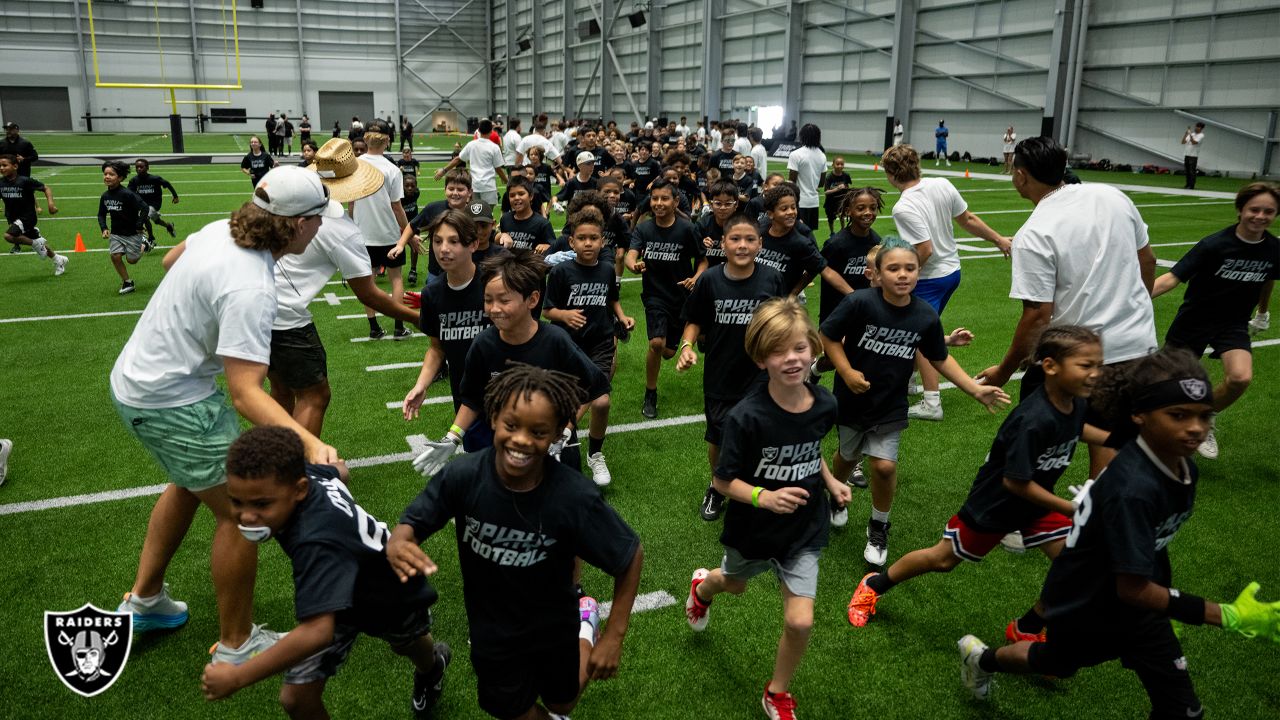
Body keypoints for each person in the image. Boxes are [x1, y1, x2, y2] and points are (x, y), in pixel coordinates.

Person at [956, 347, 1280, 714]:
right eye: (1178, 415)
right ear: (1139, 416)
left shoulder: (1179, 468)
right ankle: (981, 660)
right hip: (1087, 604)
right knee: (1054, 662)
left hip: (1136, 603)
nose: (1195, 428)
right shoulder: (1133, 489)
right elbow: (1133, 588)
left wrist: (1164, 606)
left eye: (1205, 416)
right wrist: (1222, 614)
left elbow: (1152, 543)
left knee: (1183, 709)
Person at [112, 166, 341, 669]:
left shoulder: (222, 229)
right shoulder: (252, 288)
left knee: (187, 484)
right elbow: (244, 392)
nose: (322, 228)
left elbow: (173, 259)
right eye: (319, 220)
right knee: (241, 514)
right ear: (297, 225)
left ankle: (146, 599)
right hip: (170, 398)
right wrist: (310, 443)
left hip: (142, 380)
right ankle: (237, 645)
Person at [390, 364, 643, 720]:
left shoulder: (574, 496)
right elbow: (412, 523)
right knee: (509, 709)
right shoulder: (463, 476)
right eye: (512, 425)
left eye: (538, 431)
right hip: (492, 629)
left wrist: (615, 635)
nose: (522, 440)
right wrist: (400, 541)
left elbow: (629, 556)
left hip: (553, 625)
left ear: (558, 433)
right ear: (493, 418)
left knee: (562, 704)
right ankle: (586, 623)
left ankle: (586, 626)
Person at [847, 326, 1107, 630]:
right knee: (942, 560)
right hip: (996, 505)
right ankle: (874, 585)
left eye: (1098, 365)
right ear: (1050, 366)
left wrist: (1126, 440)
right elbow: (1015, 482)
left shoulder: (1074, 402)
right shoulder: (1034, 420)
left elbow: (1076, 429)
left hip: (1036, 504)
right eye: (1086, 365)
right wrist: (1071, 509)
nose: (1095, 374)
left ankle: (1027, 629)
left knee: (1074, 564)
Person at [199, 427, 449, 719]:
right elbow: (338, 472)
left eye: (261, 504)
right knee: (296, 698)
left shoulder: (316, 541)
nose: (246, 516)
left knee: (407, 642)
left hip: (388, 591)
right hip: (338, 590)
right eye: (236, 501)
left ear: (300, 490)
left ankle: (432, 668)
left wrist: (239, 677)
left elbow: (317, 633)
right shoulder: (299, 476)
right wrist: (336, 468)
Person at [683, 298, 851, 720]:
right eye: (778, 351)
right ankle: (702, 588)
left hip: (803, 529)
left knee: (800, 621)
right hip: (752, 527)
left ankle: (776, 692)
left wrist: (831, 482)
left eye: (799, 348)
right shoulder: (746, 417)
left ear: (814, 348)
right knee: (733, 585)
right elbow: (723, 481)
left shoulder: (825, 403)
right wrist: (765, 497)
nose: (791, 359)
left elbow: (811, 448)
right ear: (761, 359)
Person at [819, 237, 1009, 566]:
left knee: (883, 465)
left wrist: (974, 389)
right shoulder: (860, 303)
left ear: (919, 273)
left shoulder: (924, 315)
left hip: (890, 404)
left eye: (910, 268)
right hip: (852, 399)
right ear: (877, 273)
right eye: (893, 268)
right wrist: (847, 371)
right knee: (847, 455)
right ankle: (837, 495)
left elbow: (938, 357)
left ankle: (879, 525)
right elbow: (829, 336)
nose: (903, 274)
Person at [977, 136, 1157, 479]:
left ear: (1021, 175)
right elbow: (1147, 259)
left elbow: (1037, 316)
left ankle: (1017, 520)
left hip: (1071, 354)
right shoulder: (1112, 196)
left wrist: (1003, 370)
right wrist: (1137, 308)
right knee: (1110, 439)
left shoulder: (1033, 233)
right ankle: (1095, 519)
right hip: (1136, 346)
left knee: (1035, 437)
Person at [259, 138, 422, 437]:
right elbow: (368, 293)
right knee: (315, 395)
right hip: (285, 317)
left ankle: (273, 460)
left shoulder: (290, 202)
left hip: (252, 307)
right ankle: (296, 470)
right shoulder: (339, 227)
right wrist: (418, 319)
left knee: (281, 388)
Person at [409, 250, 611, 476]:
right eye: (488, 300)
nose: (494, 309)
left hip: (557, 453)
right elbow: (473, 398)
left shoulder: (556, 341)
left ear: (532, 300)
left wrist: (565, 432)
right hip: (509, 452)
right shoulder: (483, 344)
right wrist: (453, 437)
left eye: (504, 300)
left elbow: (593, 386)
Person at [879, 143, 1011, 422]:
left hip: (930, 278)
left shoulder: (903, 207)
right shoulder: (942, 183)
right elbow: (968, 219)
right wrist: (999, 239)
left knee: (921, 338)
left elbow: (924, 250)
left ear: (891, 174)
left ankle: (931, 401)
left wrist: (901, 281)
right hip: (953, 272)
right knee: (918, 330)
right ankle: (911, 381)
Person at [1151, 181, 1280, 460]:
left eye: (1268, 212)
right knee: (1167, 386)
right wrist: (1137, 297)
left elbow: (1268, 279)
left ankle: (1205, 418)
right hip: (1194, 321)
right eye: (1254, 209)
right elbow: (1173, 277)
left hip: (1232, 323)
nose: (1260, 216)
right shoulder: (1214, 245)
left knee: (1240, 378)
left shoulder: (1274, 249)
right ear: (1240, 209)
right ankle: (1152, 432)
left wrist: (1262, 312)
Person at [677, 214, 786, 521]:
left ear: (760, 244)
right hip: (721, 374)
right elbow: (694, 321)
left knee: (760, 434)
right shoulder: (710, 279)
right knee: (718, 438)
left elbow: (782, 321)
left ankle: (753, 485)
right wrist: (686, 347)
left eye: (750, 239)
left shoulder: (771, 278)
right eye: (735, 239)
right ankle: (718, 484)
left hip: (762, 375)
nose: (742, 245)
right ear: (723, 243)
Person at [543, 207, 634, 486]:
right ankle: (562, 436)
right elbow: (547, 311)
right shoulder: (560, 272)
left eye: (593, 238)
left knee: (602, 400)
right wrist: (565, 315)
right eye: (581, 238)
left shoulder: (607, 269)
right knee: (568, 396)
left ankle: (594, 454)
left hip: (601, 341)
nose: (588, 243)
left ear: (602, 241)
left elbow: (612, 299)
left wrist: (622, 317)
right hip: (569, 344)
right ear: (571, 242)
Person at [626, 178, 708, 419]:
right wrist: (632, 265)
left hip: (681, 296)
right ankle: (650, 393)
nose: (658, 203)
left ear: (675, 202)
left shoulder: (687, 229)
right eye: (654, 199)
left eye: (664, 198)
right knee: (656, 344)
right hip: (654, 295)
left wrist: (696, 277)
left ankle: (694, 336)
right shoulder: (644, 228)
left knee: (669, 352)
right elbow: (632, 254)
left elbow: (703, 260)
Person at [401, 210, 489, 422]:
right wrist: (421, 385)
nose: (444, 249)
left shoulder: (493, 286)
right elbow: (437, 348)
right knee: (474, 453)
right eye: (438, 241)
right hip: (464, 395)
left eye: (454, 241)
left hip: (504, 392)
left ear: (473, 245)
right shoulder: (432, 294)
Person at [352, 119, 412, 340]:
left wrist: (352, 226)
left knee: (369, 281)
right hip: (388, 233)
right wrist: (409, 233)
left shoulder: (355, 164)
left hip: (362, 234)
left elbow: (350, 202)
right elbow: (396, 207)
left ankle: (374, 328)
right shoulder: (392, 169)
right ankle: (398, 326)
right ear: (387, 140)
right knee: (396, 279)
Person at [0, 153, 65, 274]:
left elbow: (46, 188)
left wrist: (51, 204)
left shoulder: (24, 181)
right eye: (0, 166)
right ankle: (58, 260)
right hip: (13, 218)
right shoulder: (1, 183)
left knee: (8, 236)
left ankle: (36, 244)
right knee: (36, 240)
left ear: (15, 166)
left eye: (5, 165)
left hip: (27, 217)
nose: (1, 168)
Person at [99, 160, 151, 295]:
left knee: (131, 260)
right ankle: (127, 282)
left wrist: (139, 224)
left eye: (111, 174)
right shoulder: (105, 196)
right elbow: (101, 214)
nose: (107, 177)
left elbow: (145, 208)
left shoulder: (128, 194)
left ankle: (144, 244)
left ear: (120, 177)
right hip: (116, 233)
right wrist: (104, 228)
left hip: (132, 233)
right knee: (115, 256)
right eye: (105, 174)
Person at [437, 119, 508, 206]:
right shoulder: (494, 147)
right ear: (491, 131)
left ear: (479, 130)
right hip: (488, 186)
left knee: (473, 214)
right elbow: (498, 168)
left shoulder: (471, 144)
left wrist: (444, 170)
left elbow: (458, 159)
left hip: (474, 185)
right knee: (488, 214)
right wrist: (506, 180)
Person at [497, 176, 555, 253]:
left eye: (521, 194)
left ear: (531, 196)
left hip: (532, 264)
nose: (516, 198)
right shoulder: (505, 219)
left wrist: (546, 246)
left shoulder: (542, 223)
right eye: (512, 195)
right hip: (510, 263)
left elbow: (554, 247)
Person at [128, 158, 179, 243]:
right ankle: (168, 226)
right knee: (157, 221)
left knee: (145, 217)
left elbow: (167, 184)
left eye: (141, 167)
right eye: (137, 167)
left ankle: (151, 238)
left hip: (154, 203)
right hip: (142, 204)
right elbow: (129, 193)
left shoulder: (155, 178)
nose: (139, 169)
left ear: (147, 168)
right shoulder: (134, 180)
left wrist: (175, 196)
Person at [786, 124, 826, 231]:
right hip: (814, 201)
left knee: (795, 233)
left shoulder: (796, 154)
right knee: (809, 234)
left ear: (802, 136)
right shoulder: (822, 155)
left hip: (800, 202)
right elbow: (822, 183)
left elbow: (791, 182)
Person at [821, 157, 852, 235]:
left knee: (842, 216)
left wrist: (847, 190)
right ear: (833, 165)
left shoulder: (846, 175)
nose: (840, 166)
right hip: (830, 201)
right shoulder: (829, 176)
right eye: (837, 164)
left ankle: (843, 230)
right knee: (831, 219)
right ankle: (832, 232)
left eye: (842, 164)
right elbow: (826, 192)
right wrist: (837, 189)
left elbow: (848, 187)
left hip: (841, 200)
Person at [1180, 122, 1206, 190]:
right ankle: (1187, 184)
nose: (1196, 128)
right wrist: (1186, 134)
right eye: (1196, 126)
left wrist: (1190, 135)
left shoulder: (1201, 135)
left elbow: (1194, 142)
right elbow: (1183, 142)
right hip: (1187, 154)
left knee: (1192, 171)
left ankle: (1192, 185)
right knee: (1187, 171)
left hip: (1193, 155)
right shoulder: (1191, 134)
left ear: (1201, 128)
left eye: (1198, 127)